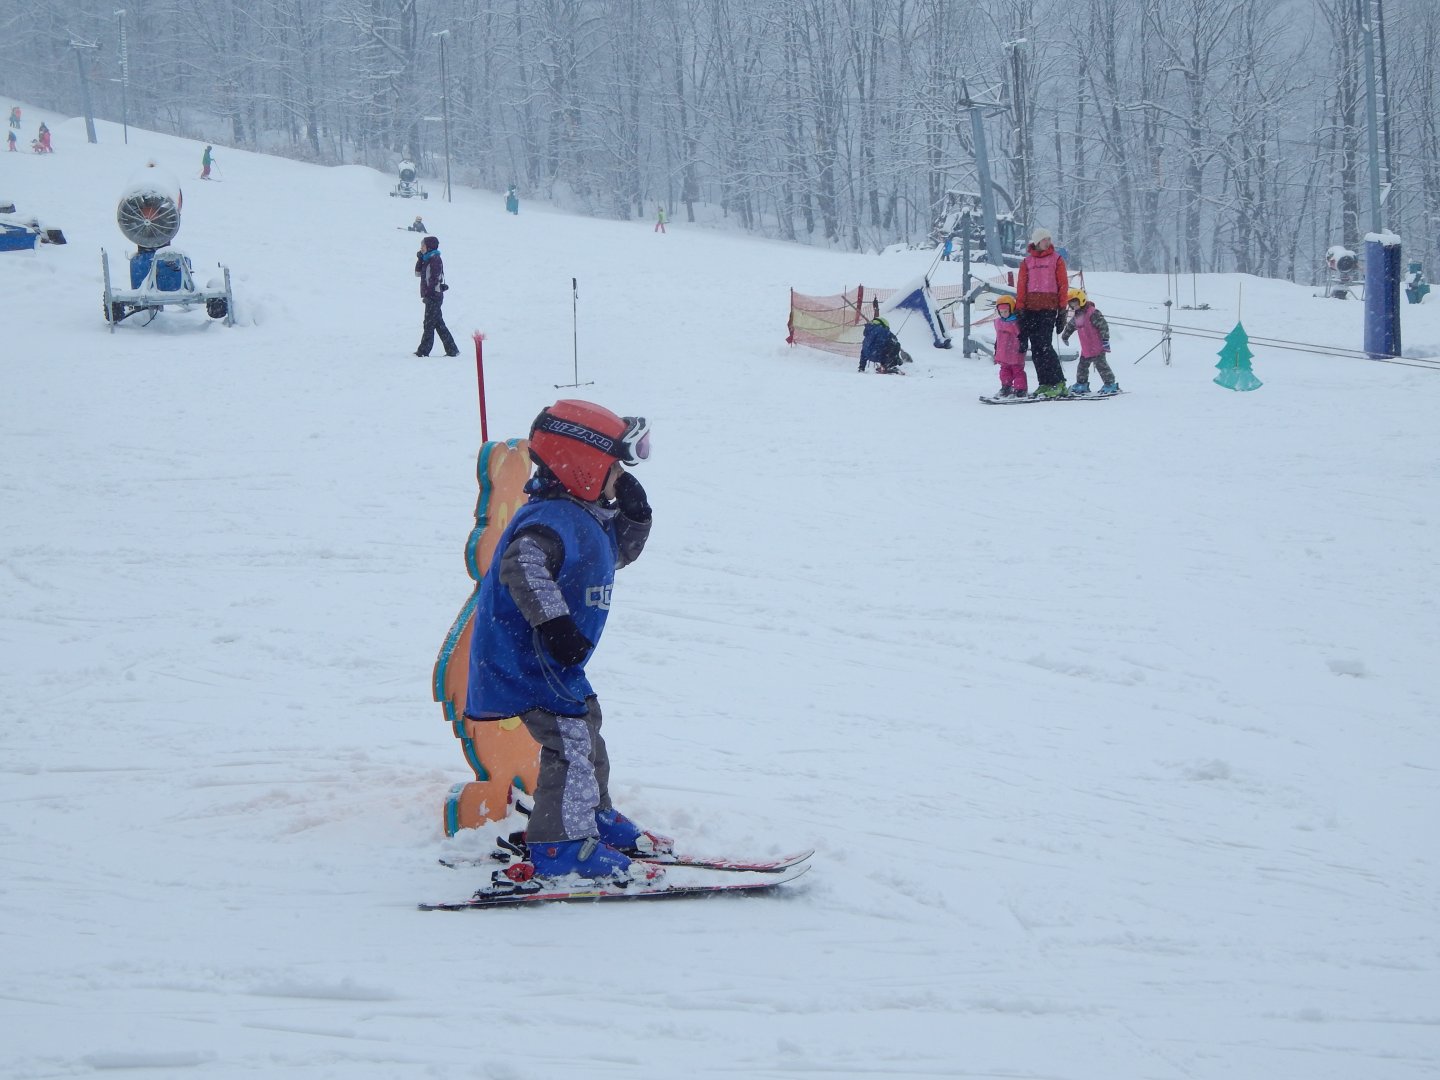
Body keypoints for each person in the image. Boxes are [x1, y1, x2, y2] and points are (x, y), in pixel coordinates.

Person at [463, 400, 669, 887]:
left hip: (552, 662)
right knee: (571, 743)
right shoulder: (550, 520)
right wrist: (556, 625)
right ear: (584, 467)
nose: (620, 477)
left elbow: (610, 555)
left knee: (585, 730)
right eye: (615, 468)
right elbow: (522, 565)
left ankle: (590, 816)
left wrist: (634, 516)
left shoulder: (582, 515)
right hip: (527, 659)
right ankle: (560, 846)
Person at [1015, 226, 1069, 397]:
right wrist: (1020, 308)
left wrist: (1062, 310)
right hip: (1031, 309)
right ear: (1037, 241)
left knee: (1045, 345)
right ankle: (1044, 382)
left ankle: (1058, 382)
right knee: (1036, 347)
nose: (1048, 242)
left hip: (1048, 308)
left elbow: (1063, 285)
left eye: (1049, 239)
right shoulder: (1027, 262)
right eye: (1045, 239)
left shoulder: (1057, 259)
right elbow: (1021, 286)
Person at [1062, 288, 1121, 395]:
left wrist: (1105, 339)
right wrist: (1065, 336)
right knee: (1082, 367)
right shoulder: (1078, 315)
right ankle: (1082, 384)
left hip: (1097, 347)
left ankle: (1110, 384)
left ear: (1081, 300)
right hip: (1086, 348)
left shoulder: (1093, 313)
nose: (1074, 306)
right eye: (1071, 304)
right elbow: (1071, 326)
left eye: (1075, 303)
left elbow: (1103, 326)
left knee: (1101, 366)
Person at [414, 235, 459, 357]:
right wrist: (420, 259)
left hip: (434, 296)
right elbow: (417, 273)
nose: (421, 248)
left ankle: (423, 351)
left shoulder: (435, 259)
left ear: (429, 246)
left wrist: (429, 294)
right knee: (438, 324)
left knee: (429, 324)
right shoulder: (427, 259)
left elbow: (434, 279)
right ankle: (452, 350)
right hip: (431, 296)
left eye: (423, 245)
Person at [990, 295, 1027, 397]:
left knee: (1017, 371)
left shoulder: (1017, 322)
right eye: (1001, 312)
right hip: (1003, 352)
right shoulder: (998, 322)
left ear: (1011, 309)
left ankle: (1020, 389)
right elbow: (998, 337)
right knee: (1004, 371)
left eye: (1006, 311)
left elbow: (1023, 335)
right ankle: (1006, 386)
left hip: (1015, 351)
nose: (1004, 314)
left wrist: (1023, 344)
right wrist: (996, 347)